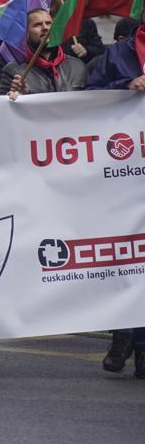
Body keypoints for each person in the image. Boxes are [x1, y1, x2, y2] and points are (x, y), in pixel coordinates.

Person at [82, 19, 145, 377]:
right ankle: (122, 337)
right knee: (127, 261)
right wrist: (127, 86)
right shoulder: (117, 54)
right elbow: (90, 96)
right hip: (122, 174)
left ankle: (142, 347)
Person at [0, 9, 88, 96]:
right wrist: (22, 95)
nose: (45, 28)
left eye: (49, 23)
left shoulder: (77, 66)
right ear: (26, 34)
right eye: (37, 25)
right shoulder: (13, 72)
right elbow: (6, 108)